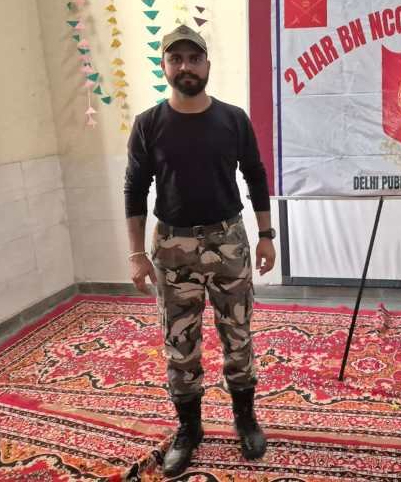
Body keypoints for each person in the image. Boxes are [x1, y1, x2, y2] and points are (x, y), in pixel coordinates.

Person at [123, 24, 276, 477]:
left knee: (238, 335)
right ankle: (189, 430)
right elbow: (134, 189)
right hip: (172, 248)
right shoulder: (148, 124)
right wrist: (136, 254)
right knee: (180, 343)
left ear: (207, 64)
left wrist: (266, 235)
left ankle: (245, 418)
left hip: (228, 241)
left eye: (194, 58)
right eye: (176, 59)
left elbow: (255, 174)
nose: (186, 67)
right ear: (164, 66)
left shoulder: (233, 119)